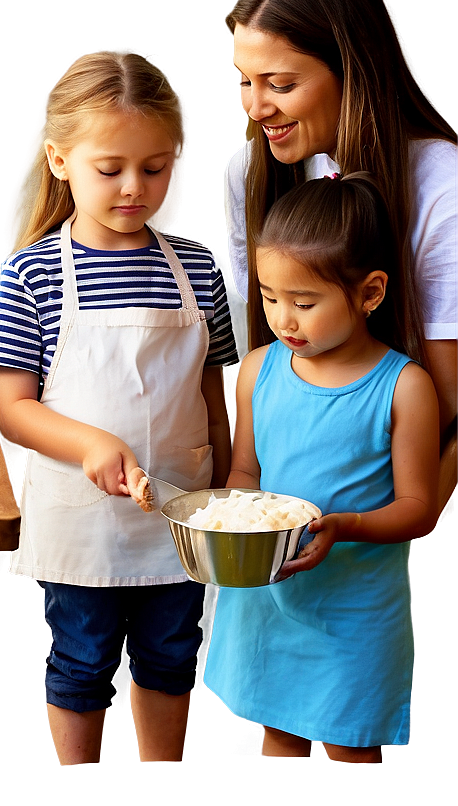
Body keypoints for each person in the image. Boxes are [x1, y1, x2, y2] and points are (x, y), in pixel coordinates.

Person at [0, 52, 239, 764]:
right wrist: (91, 444)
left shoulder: (198, 266)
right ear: (60, 161)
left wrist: (235, 476)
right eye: (110, 168)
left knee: (171, 654)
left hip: (182, 515)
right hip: (83, 522)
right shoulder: (31, 271)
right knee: (84, 661)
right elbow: (12, 407)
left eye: (155, 167)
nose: (134, 187)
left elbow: (213, 391)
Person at [203, 173, 440, 764]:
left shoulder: (404, 388)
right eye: (270, 296)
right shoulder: (257, 371)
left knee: (349, 750)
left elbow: (419, 509)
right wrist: (229, 529)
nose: (284, 319)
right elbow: (245, 477)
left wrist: (343, 526)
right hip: (268, 598)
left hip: (354, 609)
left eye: (304, 303)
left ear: (369, 293)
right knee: (277, 737)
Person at [222, 0, 456, 451]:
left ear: (353, 73)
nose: (255, 107)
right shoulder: (247, 171)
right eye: (246, 80)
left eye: (281, 85)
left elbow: (447, 395)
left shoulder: (443, 184)